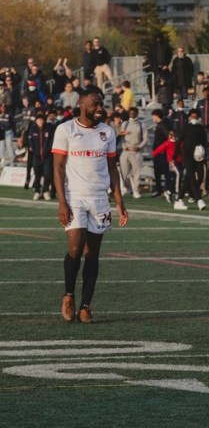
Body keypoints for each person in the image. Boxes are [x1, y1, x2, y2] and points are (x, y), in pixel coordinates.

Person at [53, 91, 129, 323]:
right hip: (74, 197)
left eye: (101, 104)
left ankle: (86, 305)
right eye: (95, 104)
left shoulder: (107, 132)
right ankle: (68, 296)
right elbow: (57, 167)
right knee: (75, 249)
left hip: (99, 199)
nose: (100, 108)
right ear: (82, 106)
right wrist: (62, 202)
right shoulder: (66, 130)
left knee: (92, 254)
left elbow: (113, 168)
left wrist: (119, 203)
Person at [118, 106, 147, 199]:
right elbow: (121, 137)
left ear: (137, 113)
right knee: (124, 173)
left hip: (136, 151)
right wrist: (125, 147)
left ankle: (136, 190)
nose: (132, 115)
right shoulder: (125, 124)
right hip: (126, 151)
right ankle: (127, 188)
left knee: (137, 173)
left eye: (134, 113)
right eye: (130, 113)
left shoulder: (141, 125)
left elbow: (145, 139)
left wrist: (139, 147)